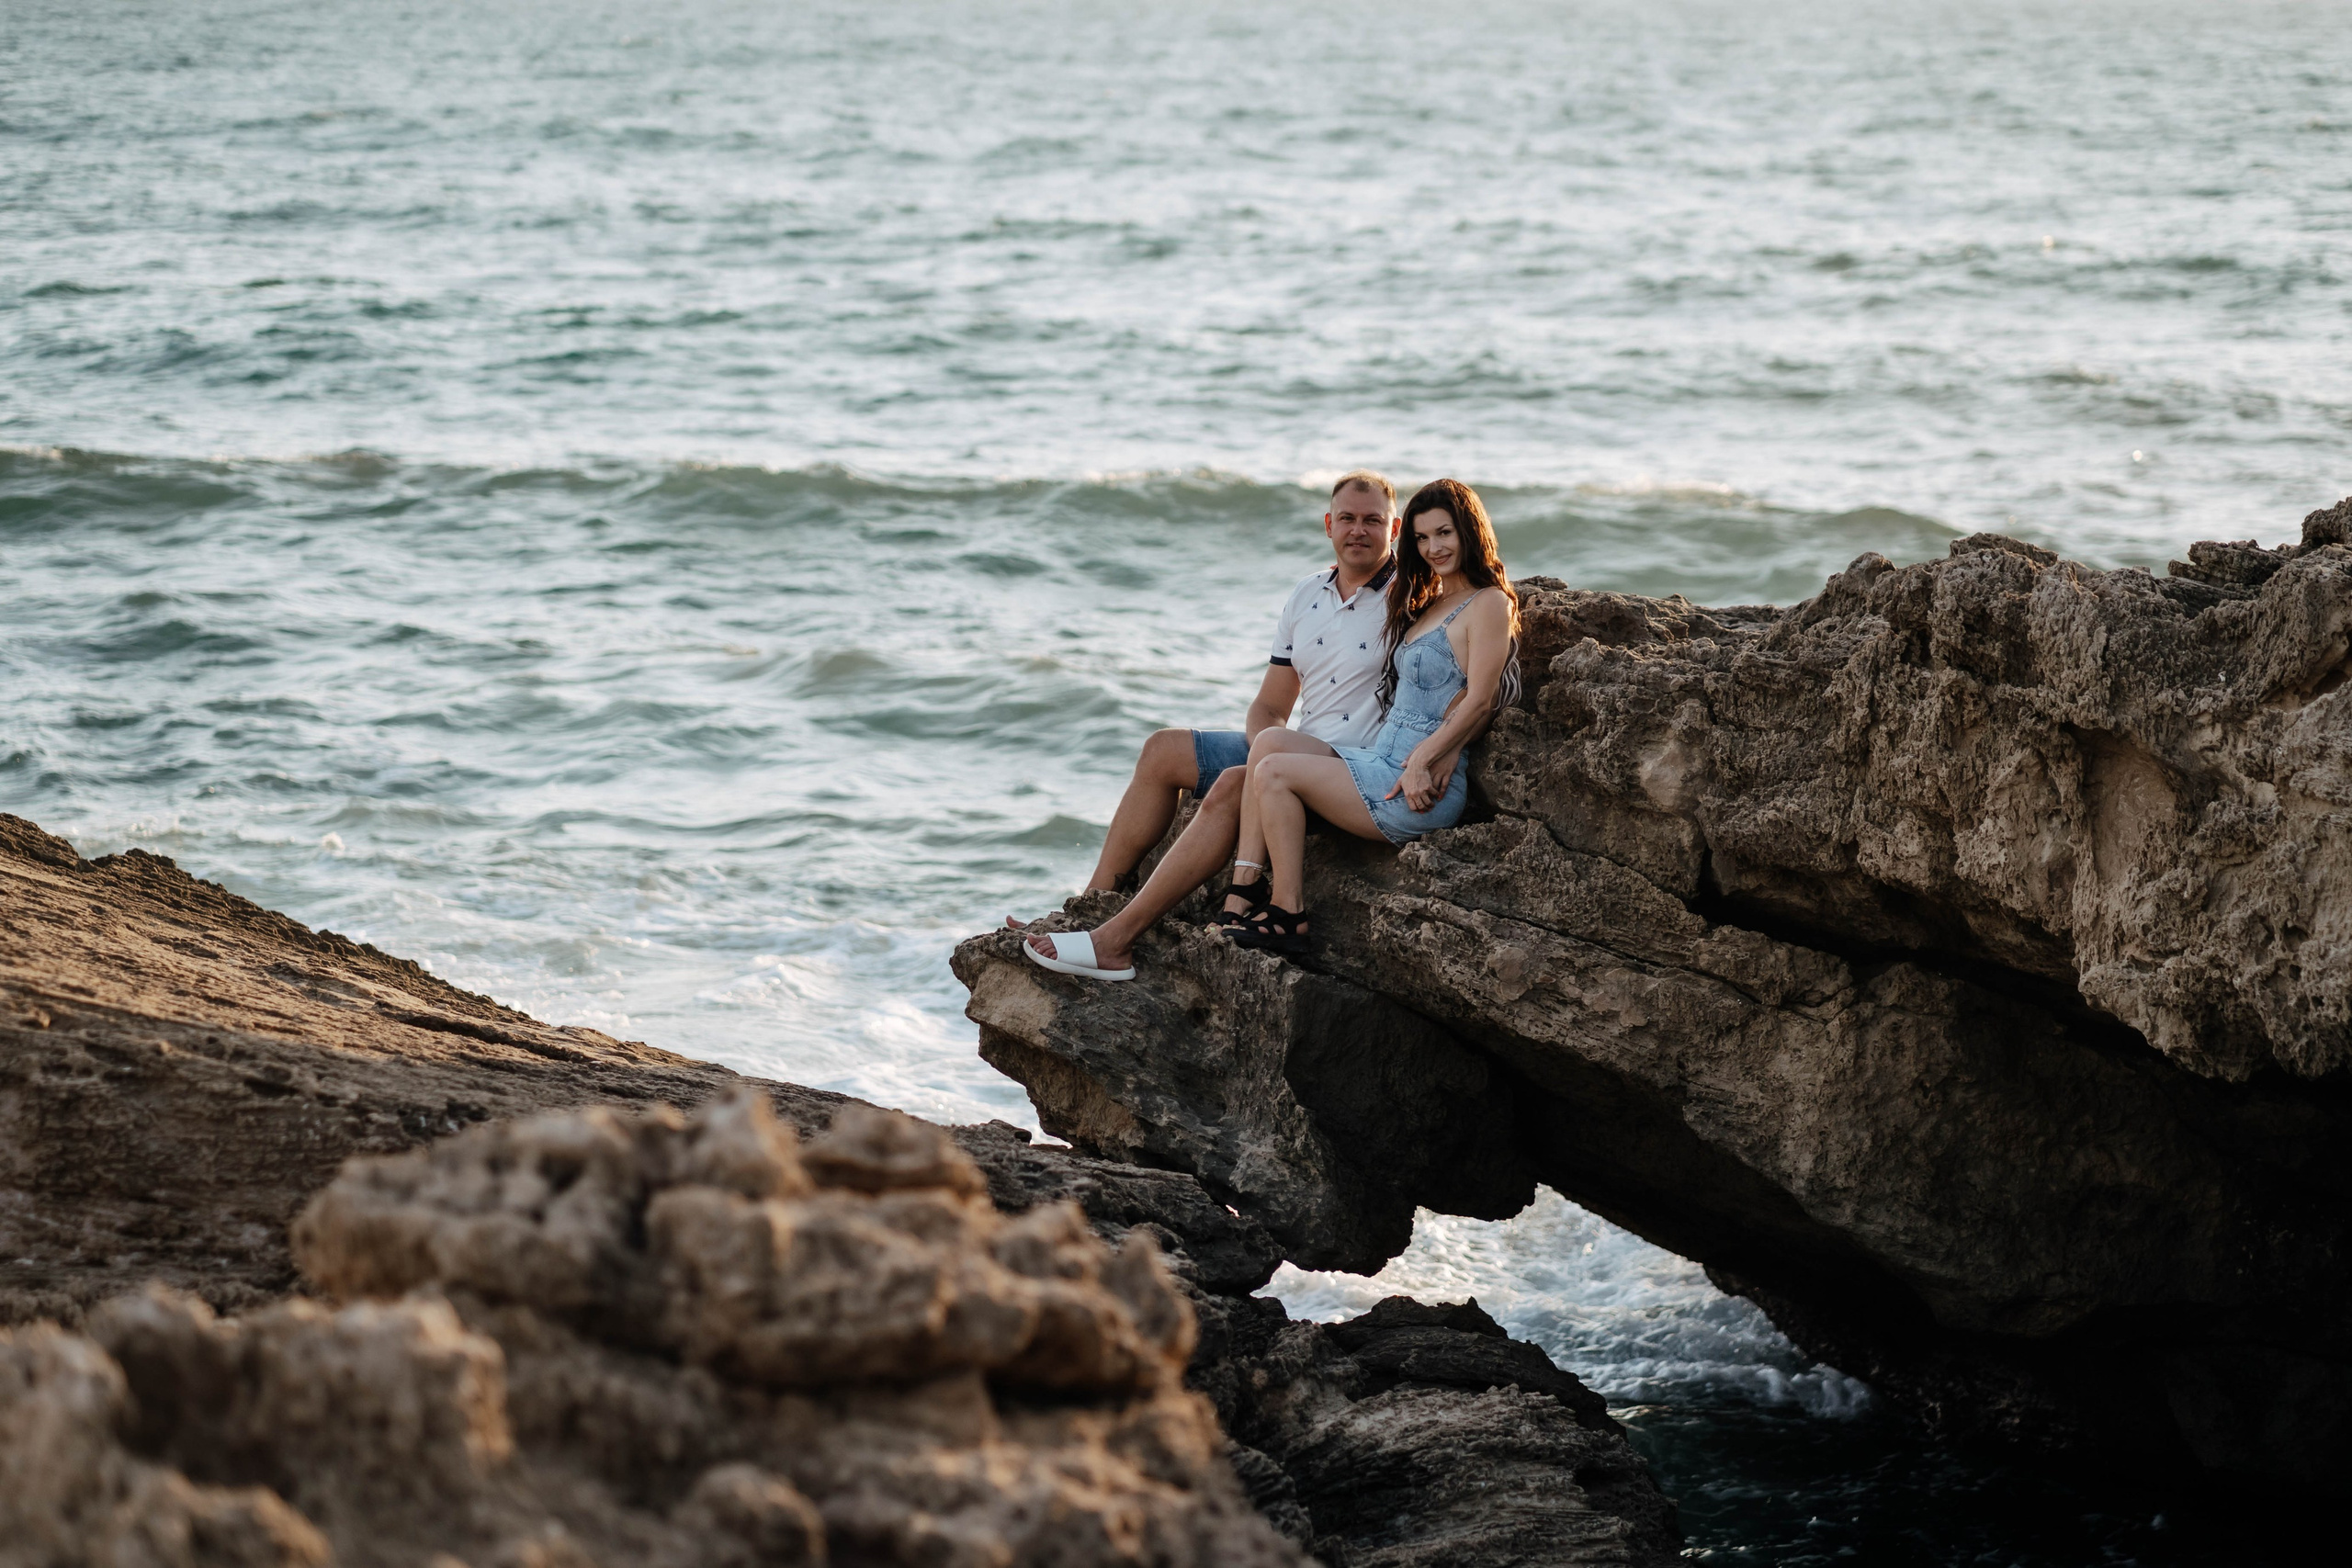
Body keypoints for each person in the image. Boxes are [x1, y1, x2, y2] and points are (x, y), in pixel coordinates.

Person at [1019, 471, 1402, 981]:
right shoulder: (1307, 593)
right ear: (1328, 525)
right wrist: (1266, 745)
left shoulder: (1412, 598)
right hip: (1288, 747)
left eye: (1373, 520)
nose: (1359, 530)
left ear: (1394, 530)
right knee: (1163, 750)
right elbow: (1270, 704)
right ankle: (1089, 908)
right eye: (1348, 519)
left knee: (1230, 785)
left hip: (1348, 769)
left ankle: (1115, 943)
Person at [1225, 478, 1520, 953]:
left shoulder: (1489, 603)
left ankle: (1287, 912)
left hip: (1414, 787)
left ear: (1469, 531)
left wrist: (1432, 756)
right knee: (1269, 746)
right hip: (1382, 760)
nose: (1433, 548)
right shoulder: (1429, 601)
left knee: (1275, 773)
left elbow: (1483, 697)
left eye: (1444, 533)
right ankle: (1241, 895)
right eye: (1422, 538)